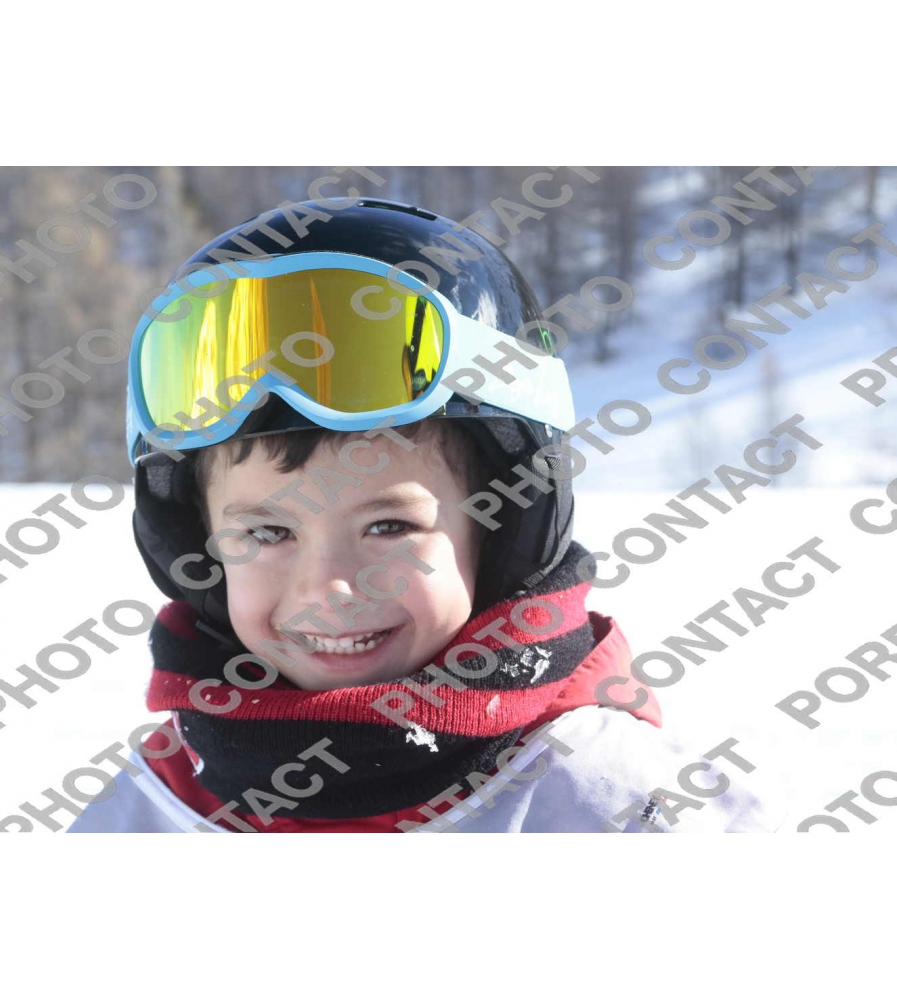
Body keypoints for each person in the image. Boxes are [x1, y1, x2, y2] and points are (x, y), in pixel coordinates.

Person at [68, 196, 783, 833]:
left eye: (389, 527)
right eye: (267, 532)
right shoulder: (148, 812)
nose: (327, 589)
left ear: (503, 532)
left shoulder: (619, 807)